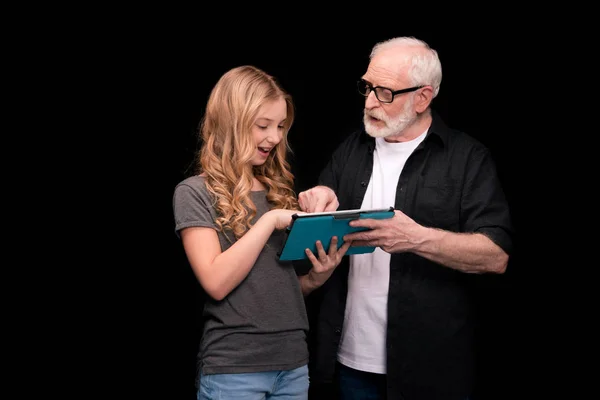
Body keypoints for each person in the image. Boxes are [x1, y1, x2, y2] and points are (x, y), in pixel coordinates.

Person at [298, 37, 514, 400]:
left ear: (423, 97)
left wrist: (416, 238)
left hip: (429, 370)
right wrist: (318, 197)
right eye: (366, 88)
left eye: (384, 92)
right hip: (348, 364)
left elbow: (496, 256)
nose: (369, 102)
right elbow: (325, 202)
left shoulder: (467, 158)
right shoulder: (352, 147)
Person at [172, 65, 351, 400]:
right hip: (234, 371)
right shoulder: (193, 192)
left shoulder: (277, 191)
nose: (275, 137)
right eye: (263, 125)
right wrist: (270, 221)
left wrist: (314, 279)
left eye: (281, 126)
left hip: (293, 365)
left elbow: (277, 289)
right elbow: (216, 281)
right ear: (232, 123)